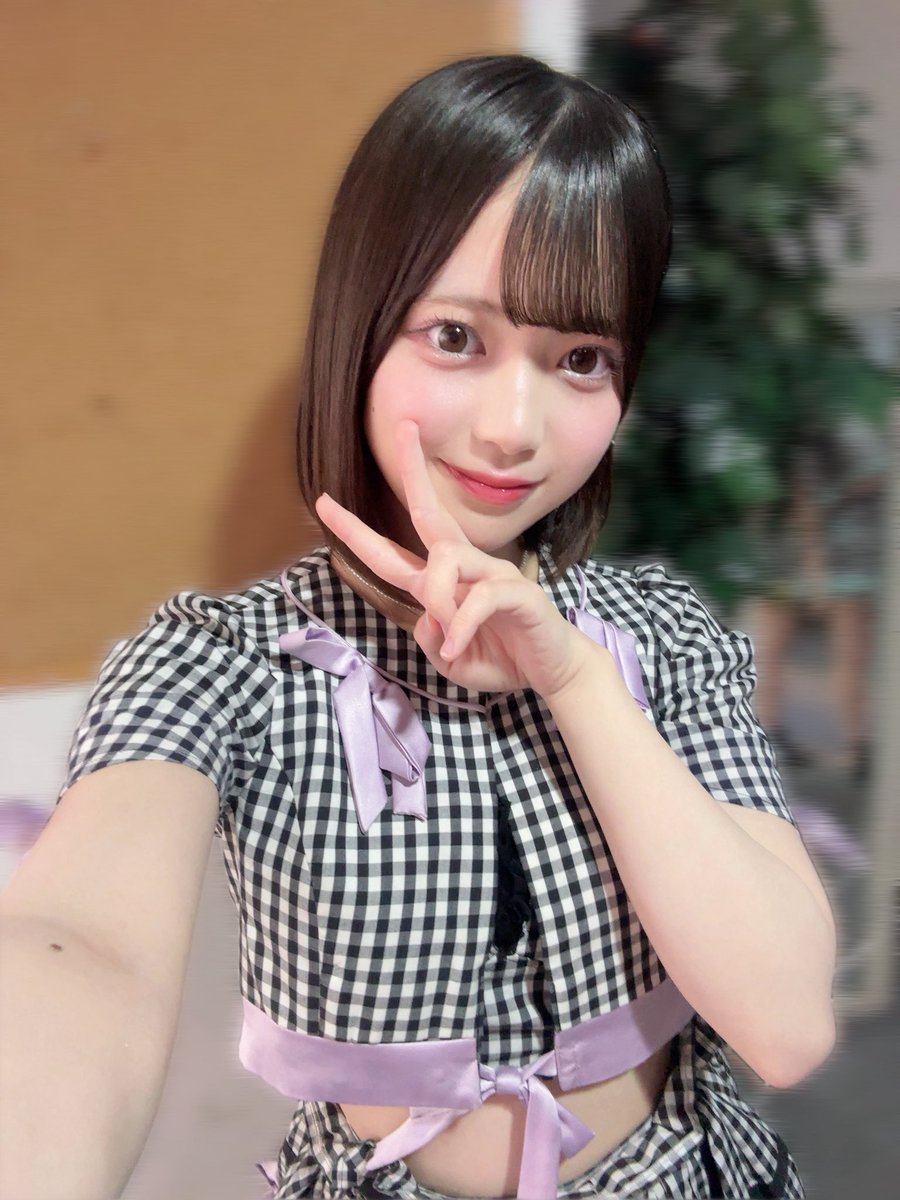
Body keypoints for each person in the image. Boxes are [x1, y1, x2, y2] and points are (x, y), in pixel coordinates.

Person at [0, 55, 836, 1200]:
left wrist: (577, 684)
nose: (514, 427)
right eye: (456, 337)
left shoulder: (659, 637)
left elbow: (787, 1025)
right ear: (363, 324)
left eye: (580, 359)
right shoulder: (227, 662)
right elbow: (76, 943)